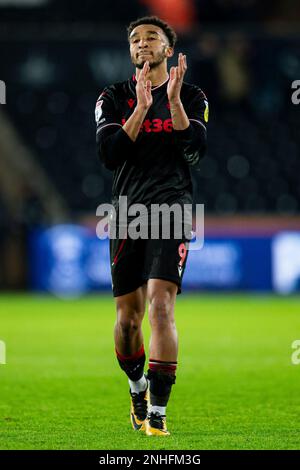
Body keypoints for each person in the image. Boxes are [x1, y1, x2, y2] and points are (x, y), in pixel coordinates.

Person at [95, 16, 208, 436]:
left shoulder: (192, 95)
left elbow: (195, 151)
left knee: (162, 307)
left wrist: (173, 102)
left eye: (152, 38)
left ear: (168, 48)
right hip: (126, 213)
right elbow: (109, 154)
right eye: (135, 39)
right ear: (130, 51)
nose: (142, 44)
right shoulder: (114, 96)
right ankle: (137, 387)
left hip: (173, 208)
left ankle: (158, 414)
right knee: (128, 319)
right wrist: (142, 107)